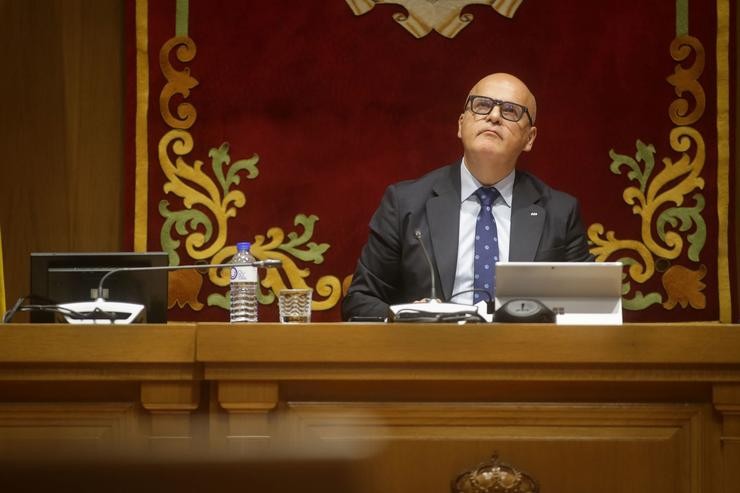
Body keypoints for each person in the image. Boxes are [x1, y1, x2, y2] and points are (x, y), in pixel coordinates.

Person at [342, 73, 593, 320]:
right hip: (430, 354)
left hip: (519, 355)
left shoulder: (559, 212)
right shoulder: (405, 203)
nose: (494, 116)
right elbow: (360, 300)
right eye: (482, 105)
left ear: (529, 138)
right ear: (461, 124)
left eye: (510, 111)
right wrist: (408, 317)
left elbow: (589, 307)